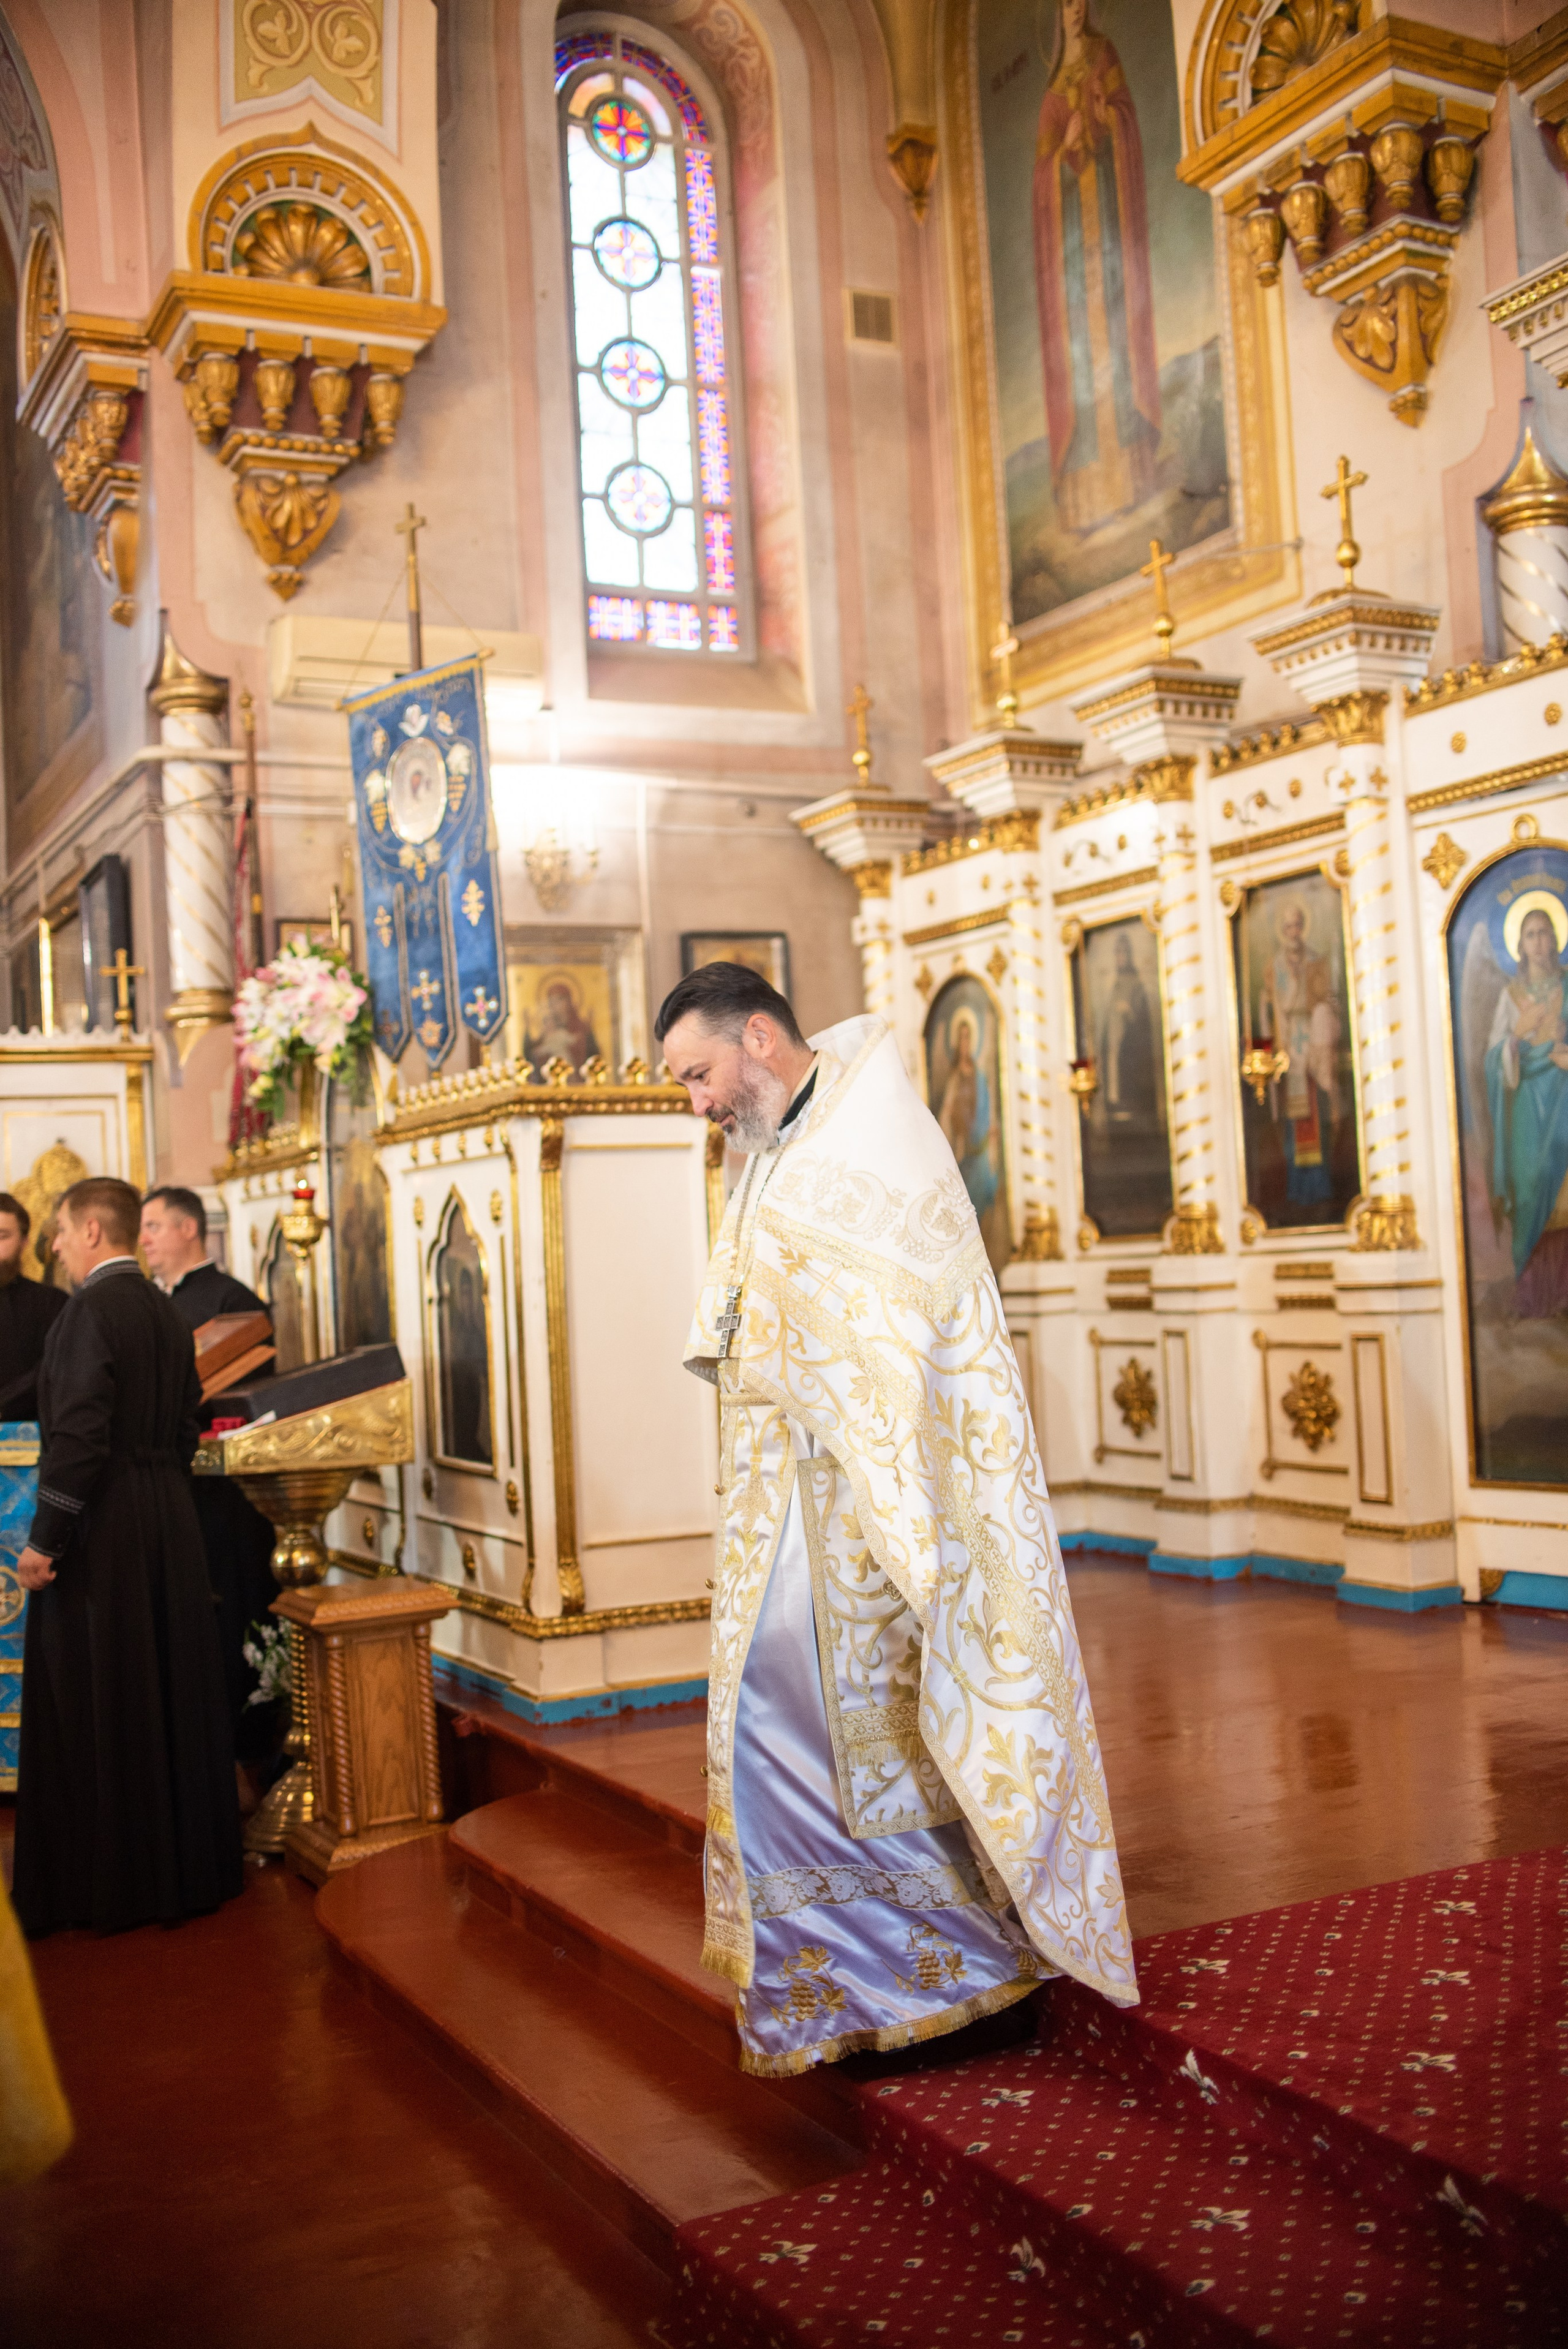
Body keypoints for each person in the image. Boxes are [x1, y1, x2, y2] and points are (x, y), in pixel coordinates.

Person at [658, 963, 1133, 2078]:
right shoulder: (770, 1142)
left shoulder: (875, 1133)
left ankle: (950, 1971)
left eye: (700, 1075)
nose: (698, 1104)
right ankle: (852, 1984)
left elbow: (906, 1335)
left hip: (886, 1505)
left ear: (760, 1038)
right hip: (790, 1498)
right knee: (777, 1723)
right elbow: (748, 1303)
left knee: (843, 1727)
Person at [11, 1177, 243, 1937]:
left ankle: (111, 1884)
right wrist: (159, 1493)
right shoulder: (166, 1313)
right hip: (165, 1518)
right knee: (165, 1685)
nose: (52, 1245)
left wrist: (46, 1540)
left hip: (105, 1525)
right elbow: (187, 1427)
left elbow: (77, 1438)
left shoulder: (88, 1312)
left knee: (101, 1692)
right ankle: (182, 1873)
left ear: (89, 1234)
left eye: (58, 1231)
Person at [139, 1186, 282, 1780]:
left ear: (188, 1229)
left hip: (225, 1501)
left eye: (153, 1226)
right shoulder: (151, 1300)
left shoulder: (233, 1301)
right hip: (171, 1494)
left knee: (232, 1621)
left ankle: (247, 1762)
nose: (145, 1237)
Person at [1485, 900, 1568, 1316]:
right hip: (1527, 1112)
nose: (1539, 941)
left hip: (1565, 1099)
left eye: (1545, 932)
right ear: (1519, 944)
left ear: (1555, 939)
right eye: (1531, 933)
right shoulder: (1510, 996)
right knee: (1532, 1188)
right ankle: (1534, 1297)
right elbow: (1493, 1059)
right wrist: (1516, 1038)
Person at [1257, 898, 1342, 1210]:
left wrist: (1322, 1018)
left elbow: (1330, 1001)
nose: (1293, 931)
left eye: (1297, 924)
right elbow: (1274, 1006)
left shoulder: (1317, 961)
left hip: (1315, 1044)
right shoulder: (1274, 966)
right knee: (1295, 1120)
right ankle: (1298, 1190)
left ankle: (1320, 1188)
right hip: (1289, 1044)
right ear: (1283, 931)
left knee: (1317, 1114)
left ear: (1303, 927)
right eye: (1287, 926)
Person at [0, 1194, 67, 1422]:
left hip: (33, 1430)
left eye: (2, 1236)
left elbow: (53, 1368)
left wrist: (5, 1403)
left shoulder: (52, 1303)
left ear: (24, 1241)